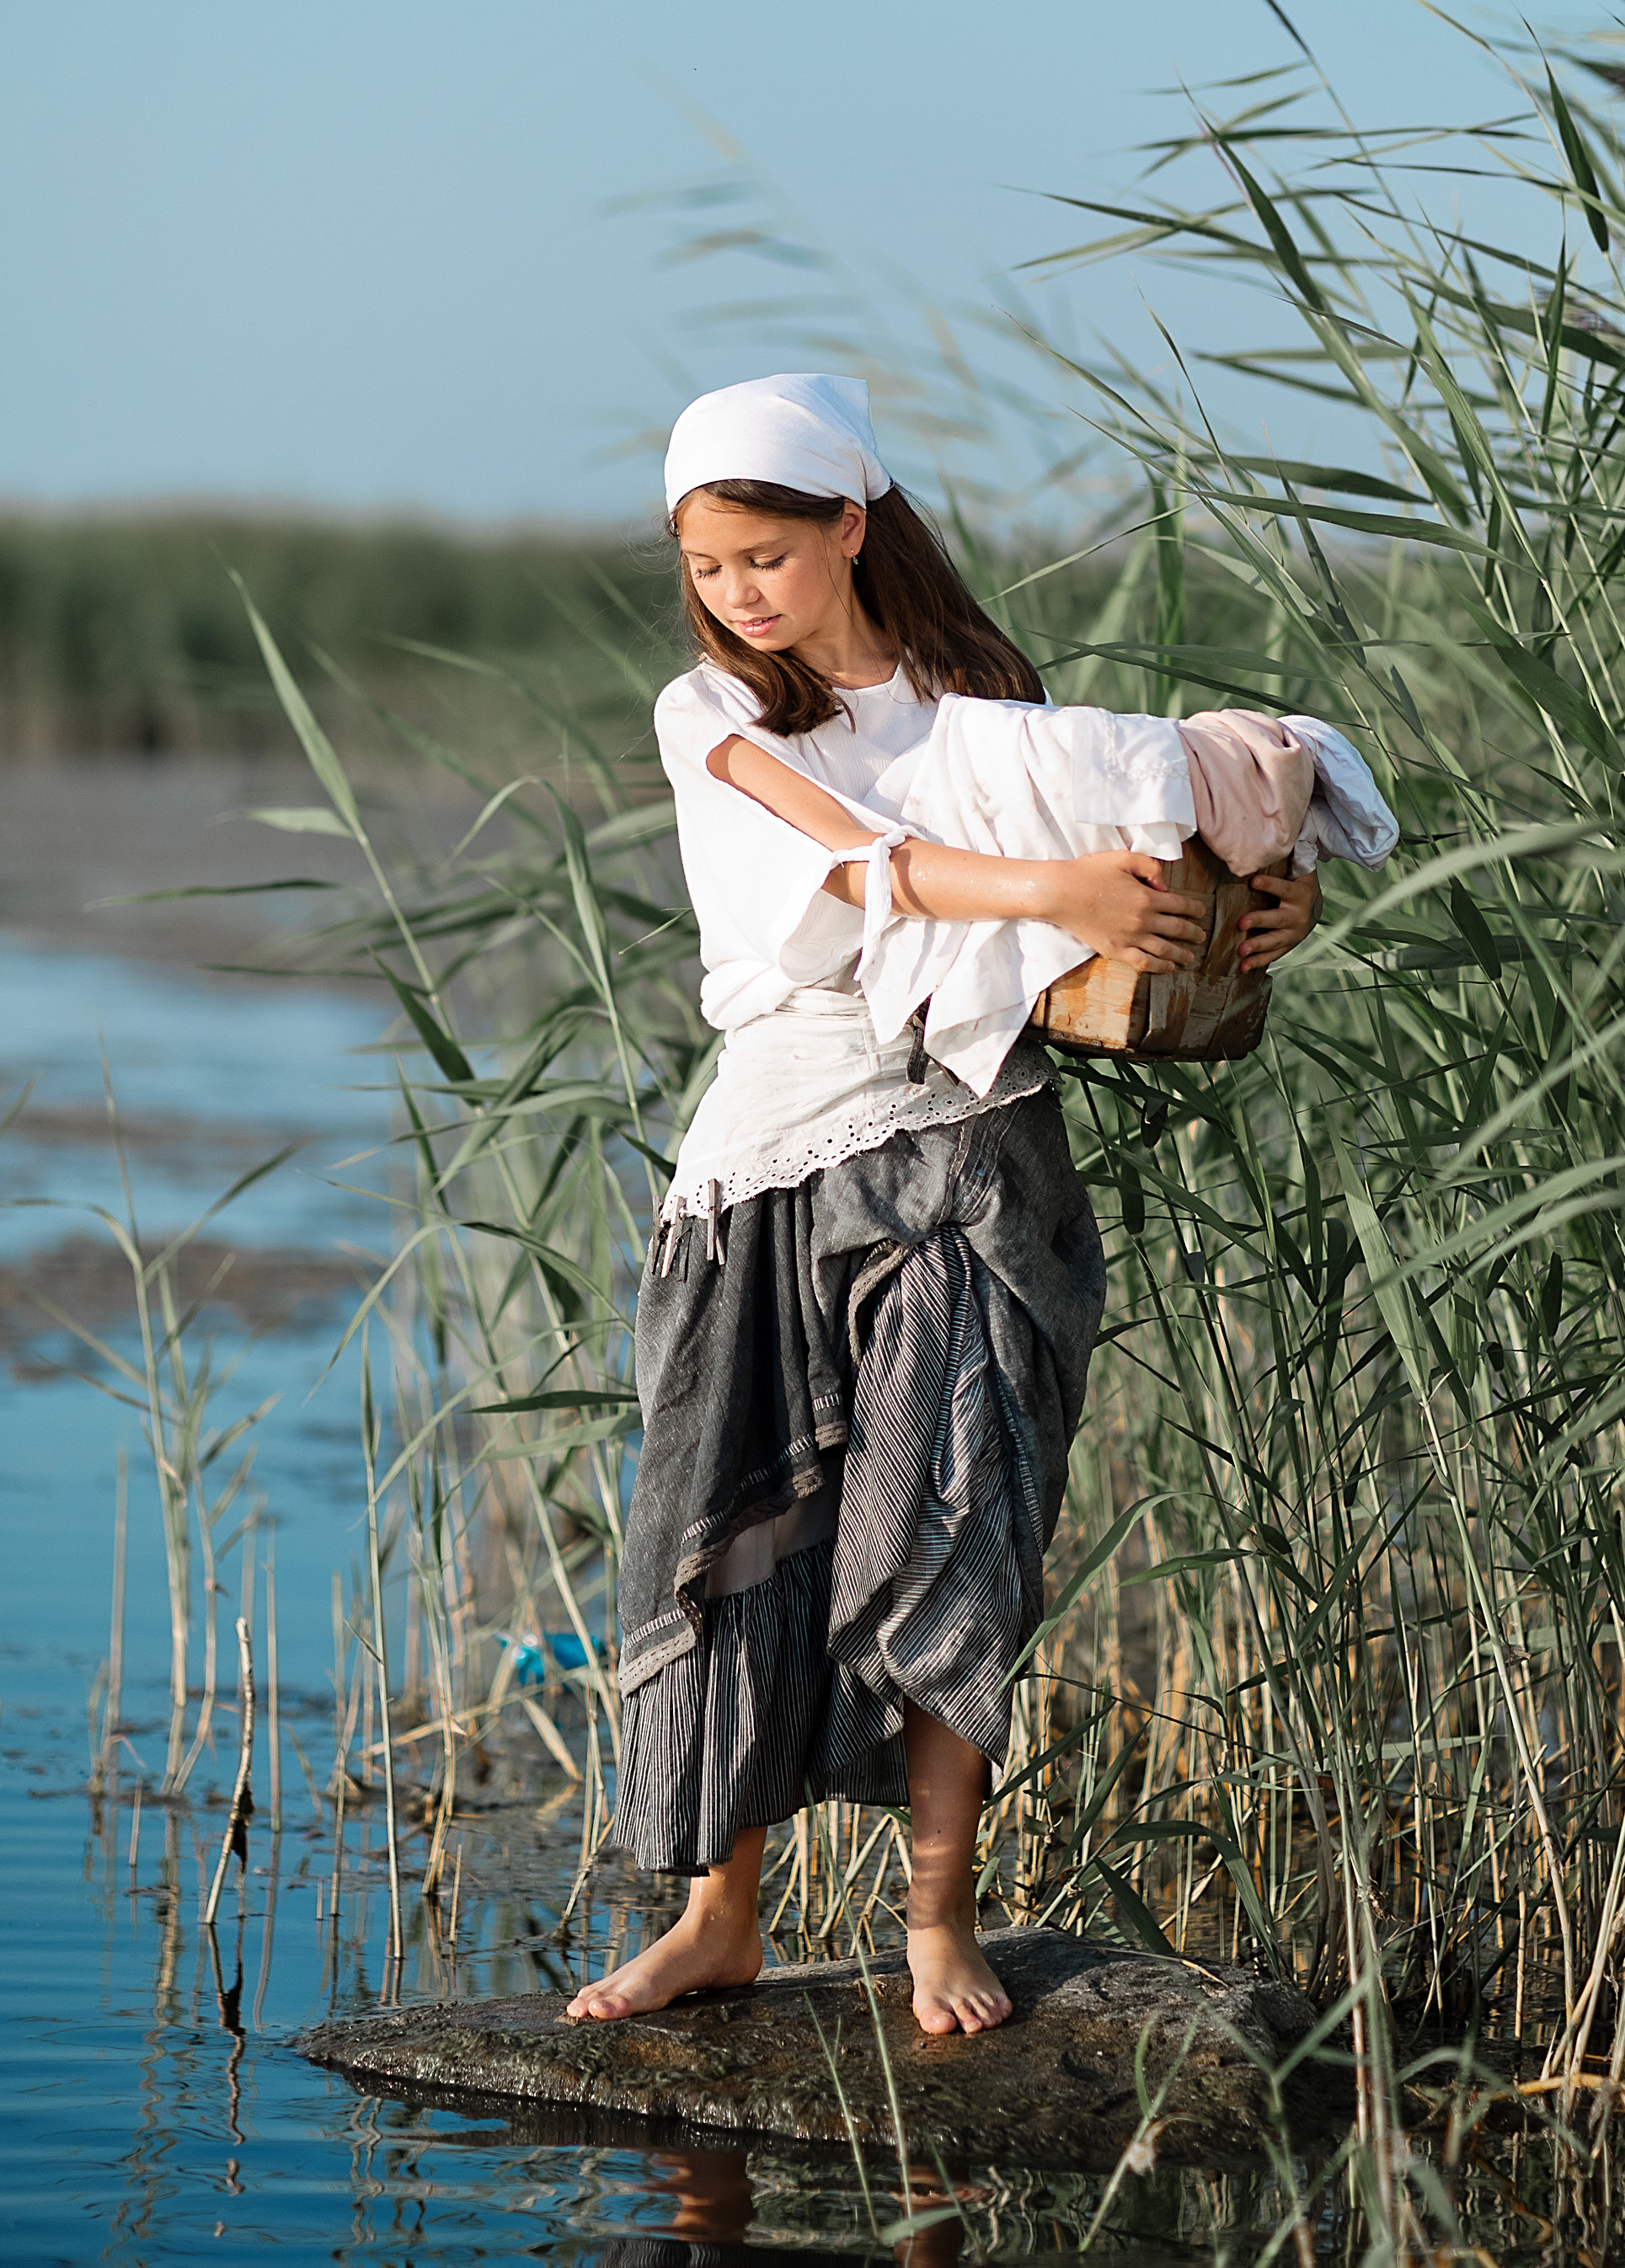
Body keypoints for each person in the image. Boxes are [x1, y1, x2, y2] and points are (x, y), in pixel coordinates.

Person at [567, 374, 1326, 2037]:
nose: (736, 593)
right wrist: (1050, 883)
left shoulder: (980, 702)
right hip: (775, 1150)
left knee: (956, 1511)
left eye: (764, 554)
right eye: (708, 565)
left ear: (849, 525)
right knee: (733, 1520)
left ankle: (934, 1914)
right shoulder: (708, 711)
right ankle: (719, 1916)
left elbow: (1147, 835)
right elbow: (848, 855)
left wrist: (1256, 902)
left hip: (976, 1142)